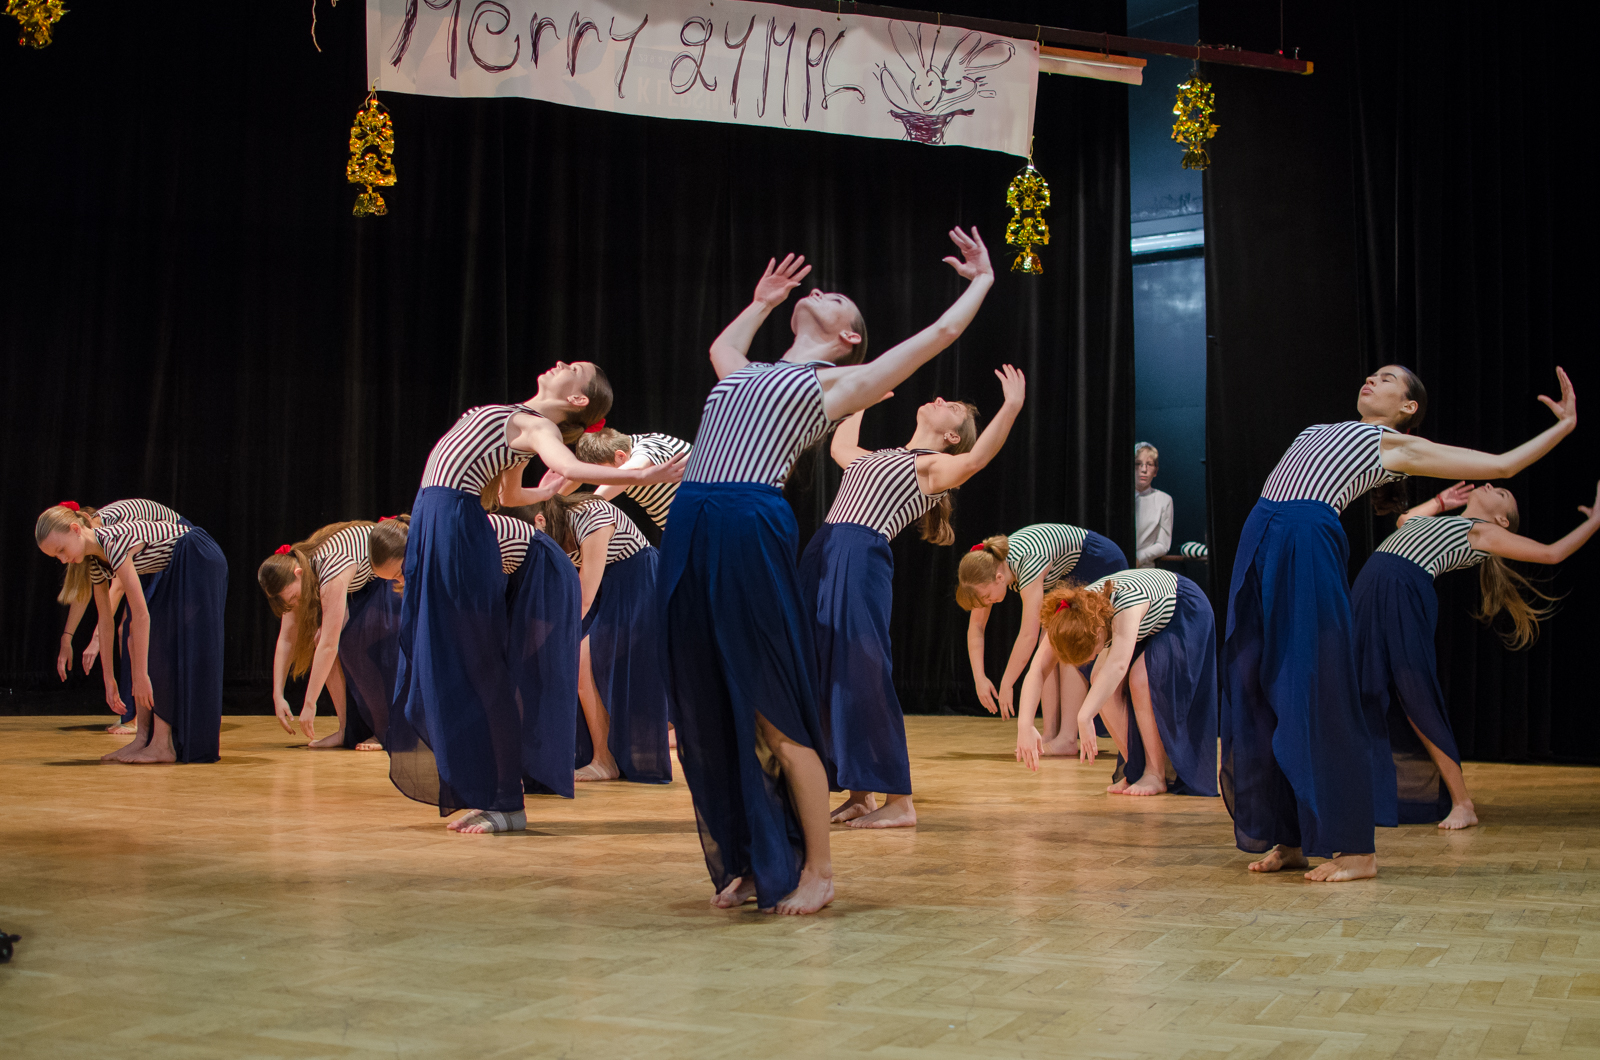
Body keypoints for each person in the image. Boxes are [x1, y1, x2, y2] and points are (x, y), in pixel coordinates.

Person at [664, 228, 994, 915]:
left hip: (746, 518)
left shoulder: (834, 383)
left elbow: (937, 335)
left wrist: (983, 281)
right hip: (692, 520)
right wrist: (761, 301)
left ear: (848, 338)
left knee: (772, 703)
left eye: (835, 298)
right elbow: (721, 349)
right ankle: (753, 858)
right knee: (709, 700)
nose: (819, 290)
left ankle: (818, 868)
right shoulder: (745, 371)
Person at [1223, 365, 1577, 883]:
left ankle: (1355, 849)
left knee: (1317, 686)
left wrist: (1564, 427)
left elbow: (1502, 465)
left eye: (1388, 379)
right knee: (1258, 683)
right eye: (1373, 374)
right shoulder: (1319, 429)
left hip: (1305, 538)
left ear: (1407, 408)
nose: (1372, 379)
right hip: (1261, 535)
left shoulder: (1392, 444)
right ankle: (1290, 836)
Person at [389, 361, 683, 834]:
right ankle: (490, 792)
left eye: (575, 368)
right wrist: (549, 490)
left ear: (578, 399)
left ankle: (506, 801)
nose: (562, 364)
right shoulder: (520, 423)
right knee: (452, 656)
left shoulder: (538, 426)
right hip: (436, 518)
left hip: (454, 522)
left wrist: (642, 476)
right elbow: (509, 496)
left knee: (474, 661)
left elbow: (567, 465)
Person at [802, 365, 1026, 829]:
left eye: (953, 408)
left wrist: (1011, 407)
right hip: (826, 551)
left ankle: (900, 801)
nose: (942, 400)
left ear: (950, 436)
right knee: (828, 670)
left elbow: (976, 460)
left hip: (858, 557)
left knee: (863, 671)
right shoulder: (883, 456)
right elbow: (841, 449)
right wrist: (860, 403)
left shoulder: (931, 466)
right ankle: (861, 792)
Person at [1354, 480, 1599, 830]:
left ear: (1502, 520)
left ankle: (1463, 803)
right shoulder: (1446, 522)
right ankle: (1362, 793)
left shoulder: (1482, 532)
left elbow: (1552, 553)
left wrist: (1595, 520)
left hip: (1400, 592)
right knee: (1363, 687)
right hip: (1371, 591)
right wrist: (1441, 501)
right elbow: (1404, 521)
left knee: (1414, 694)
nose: (1489, 484)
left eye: (1501, 494)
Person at [35, 506, 227, 763]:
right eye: (55, 556)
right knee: (132, 638)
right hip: (177, 563)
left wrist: (141, 675)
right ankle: (142, 738)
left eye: (61, 550)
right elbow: (105, 620)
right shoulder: (95, 562)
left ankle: (162, 745)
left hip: (196, 554)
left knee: (158, 640)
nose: (62, 559)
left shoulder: (112, 542)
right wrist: (109, 680)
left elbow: (141, 614)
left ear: (75, 530)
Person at [1015, 569, 1218, 800]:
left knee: (1140, 678)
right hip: (1147, 620)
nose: (1090, 659)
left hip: (1184, 610)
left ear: (1098, 632)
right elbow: (1037, 670)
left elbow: (1119, 666)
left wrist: (1085, 716)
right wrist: (1024, 725)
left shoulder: (1126, 605)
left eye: (1091, 653)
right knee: (1098, 680)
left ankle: (1155, 773)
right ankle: (1136, 769)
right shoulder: (1066, 620)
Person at [526, 493, 671, 785]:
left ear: (541, 521)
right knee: (573, 662)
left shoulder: (591, 517)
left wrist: (553, 639)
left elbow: (583, 597)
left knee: (582, 660)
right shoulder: (560, 533)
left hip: (638, 583)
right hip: (610, 587)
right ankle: (594, 753)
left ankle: (605, 760)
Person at [955, 524, 1128, 752]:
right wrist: (979, 678)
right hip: (1067, 571)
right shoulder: (986, 569)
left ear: (999, 578)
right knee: (1049, 642)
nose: (987, 603)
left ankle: (1067, 738)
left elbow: (1028, 634)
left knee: (1065, 639)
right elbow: (976, 626)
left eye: (987, 597)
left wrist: (1007, 682)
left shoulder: (1028, 564)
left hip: (1098, 560)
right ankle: (1050, 733)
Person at [256, 519, 405, 751]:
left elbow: (329, 645)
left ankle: (384, 731)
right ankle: (346, 730)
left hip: (385, 580)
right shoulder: (299, 570)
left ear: (298, 573)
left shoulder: (331, 570)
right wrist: (277, 694)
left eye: (293, 598)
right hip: (358, 586)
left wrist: (309, 704)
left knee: (354, 643)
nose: (296, 603)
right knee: (321, 638)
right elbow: (286, 638)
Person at [52, 499, 186, 735]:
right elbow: (83, 592)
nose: (63, 558)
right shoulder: (89, 547)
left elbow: (118, 587)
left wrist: (96, 639)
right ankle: (134, 713)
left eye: (62, 550)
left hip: (176, 547)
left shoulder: (111, 534)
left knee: (133, 631)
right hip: (150, 560)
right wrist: (67, 637)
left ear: (81, 528)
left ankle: (143, 716)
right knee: (127, 632)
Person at [569, 427, 693, 538]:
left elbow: (635, 469)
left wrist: (585, 509)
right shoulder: (624, 455)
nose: (603, 479)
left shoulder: (652, 443)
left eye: (603, 472)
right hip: (686, 532)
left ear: (620, 456)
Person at [1134, 443, 1174, 568]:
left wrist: (1139, 557)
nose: (1143, 469)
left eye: (1149, 464)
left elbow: (1163, 544)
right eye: (1138, 464)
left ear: (1155, 471)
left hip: (1144, 569)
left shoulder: (1164, 500)